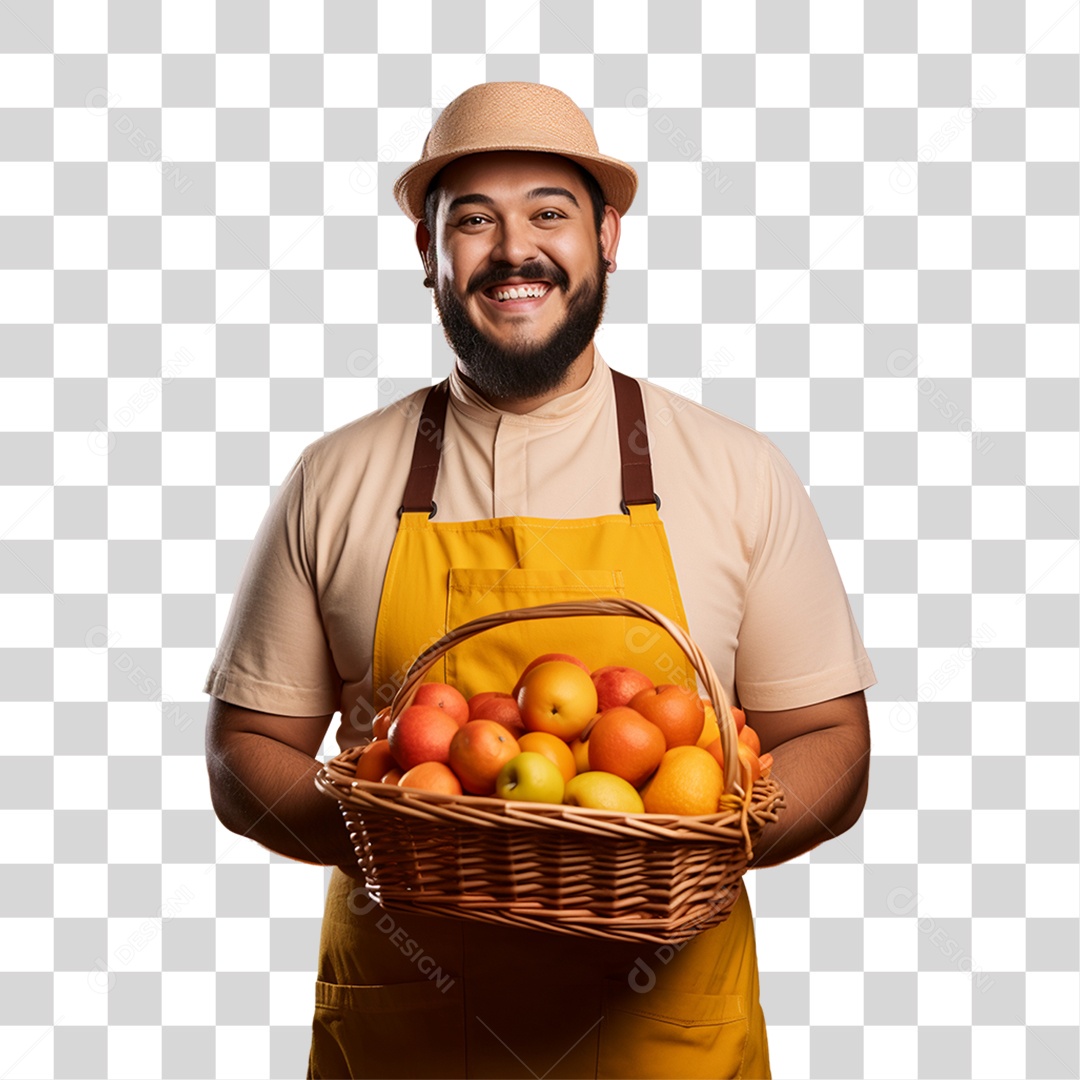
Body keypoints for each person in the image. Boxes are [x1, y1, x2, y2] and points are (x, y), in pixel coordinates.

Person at [204, 81, 876, 1080]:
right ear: (428, 255)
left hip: (665, 1045)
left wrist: (702, 841)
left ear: (608, 237)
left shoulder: (735, 472)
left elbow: (833, 741)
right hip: (408, 1041)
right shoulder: (336, 479)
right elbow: (243, 753)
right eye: (472, 220)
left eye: (549, 214)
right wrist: (395, 838)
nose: (514, 248)